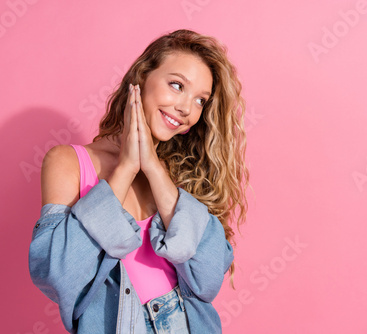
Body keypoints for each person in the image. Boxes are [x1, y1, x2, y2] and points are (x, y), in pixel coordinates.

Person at [28, 29, 250, 334]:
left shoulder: (184, 173)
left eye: (200, 100)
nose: (186, 109)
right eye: (176, 85)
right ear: (142, 78)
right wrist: (126, 168)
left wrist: (155, 170)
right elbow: (58, 274)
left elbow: (208, 280)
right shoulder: (68, 162)